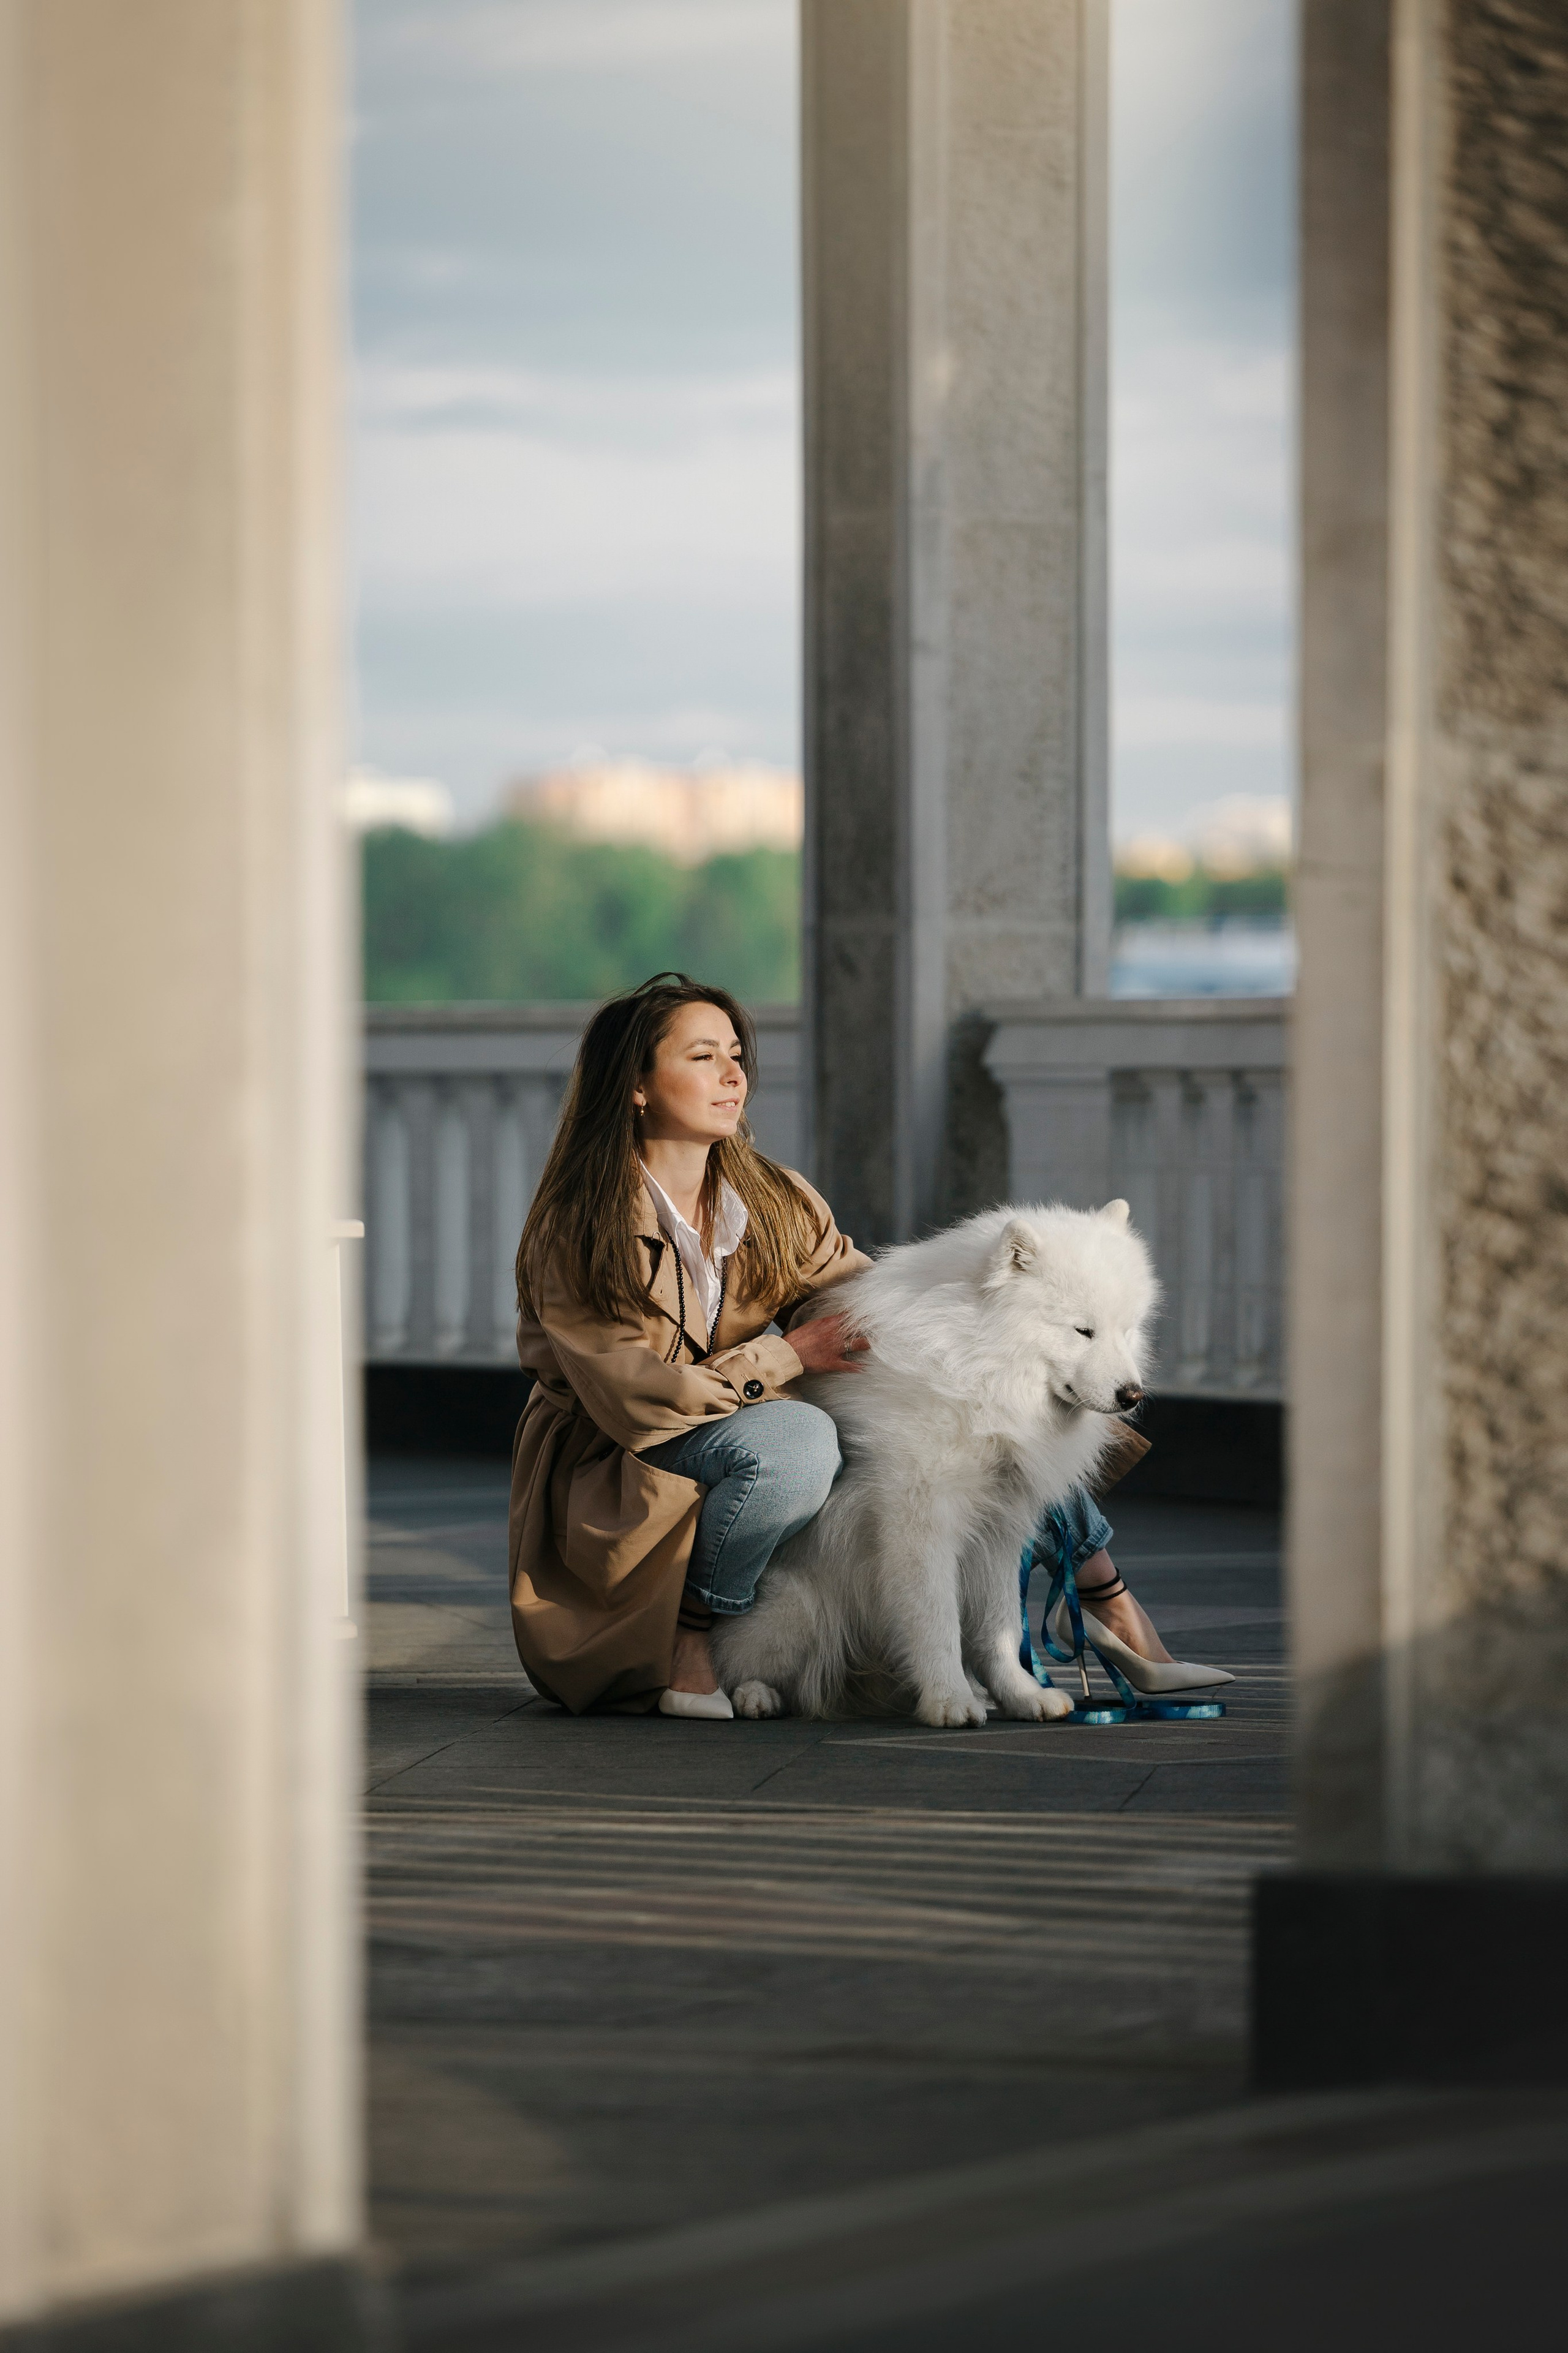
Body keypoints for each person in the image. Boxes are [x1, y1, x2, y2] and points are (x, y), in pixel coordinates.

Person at [508, 970, 1227, 1721]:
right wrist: (788, 1357)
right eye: (701, 1057)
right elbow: (633, 1398)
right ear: (636, 1086)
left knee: (1003, 1412)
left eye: (736, 1054)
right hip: (629, 1444)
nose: (733, 1075)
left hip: (734, 1410)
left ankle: (1107, 1601)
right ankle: (695, 1635)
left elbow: (856, 1293)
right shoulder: (580, 1225)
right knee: (799, 1442)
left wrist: (976, 1332)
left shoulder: (770, 1197)